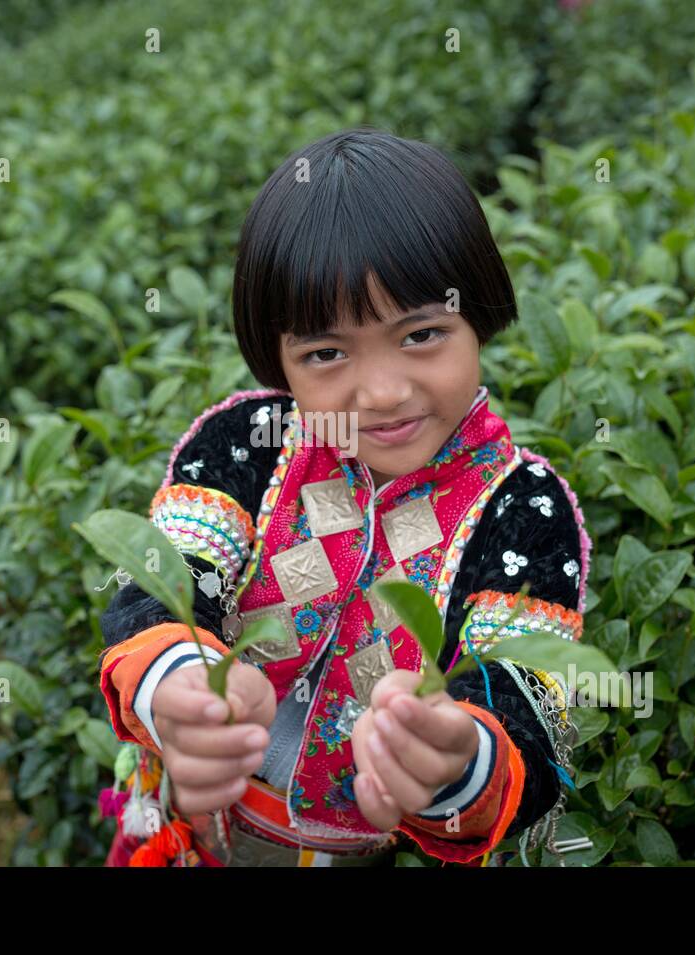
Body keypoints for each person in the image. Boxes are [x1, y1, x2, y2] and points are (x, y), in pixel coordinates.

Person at [96, 127, 591, 867]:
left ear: (477, 314)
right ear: (278, 358)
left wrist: (457, 761)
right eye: (326, 353)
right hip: (190, 831)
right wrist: (179, 687)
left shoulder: (524, 509)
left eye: (421, 334)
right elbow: (163, 582)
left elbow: (528, 703)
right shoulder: (248, 444)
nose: (384, 393)